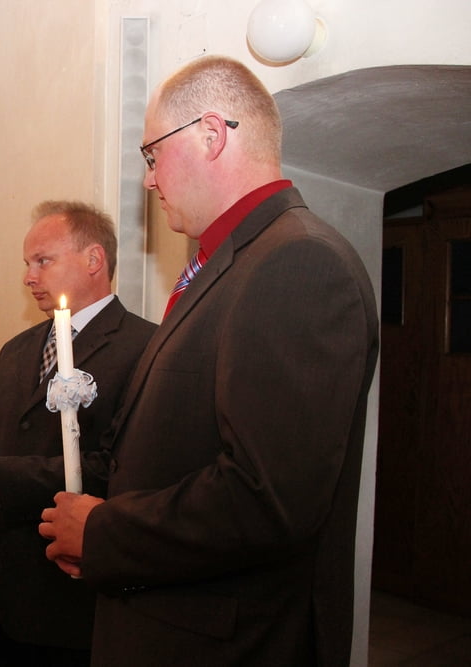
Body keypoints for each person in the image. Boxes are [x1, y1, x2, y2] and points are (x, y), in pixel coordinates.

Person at [38, 55, 380, 666]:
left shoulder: (299, 262)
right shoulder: (231, 263)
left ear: (211, 135)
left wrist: (106, 533)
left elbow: (266, 500)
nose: (149, 180)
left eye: (152, 155)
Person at [0, 201, 157, 666]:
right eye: (27, 263)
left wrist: (4, 479)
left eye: (42, 261)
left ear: (94, 259)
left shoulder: (147, 347)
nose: (28, 277)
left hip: (86, 601)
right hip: (14, 598)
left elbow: (126, 468)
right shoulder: (17, 351)